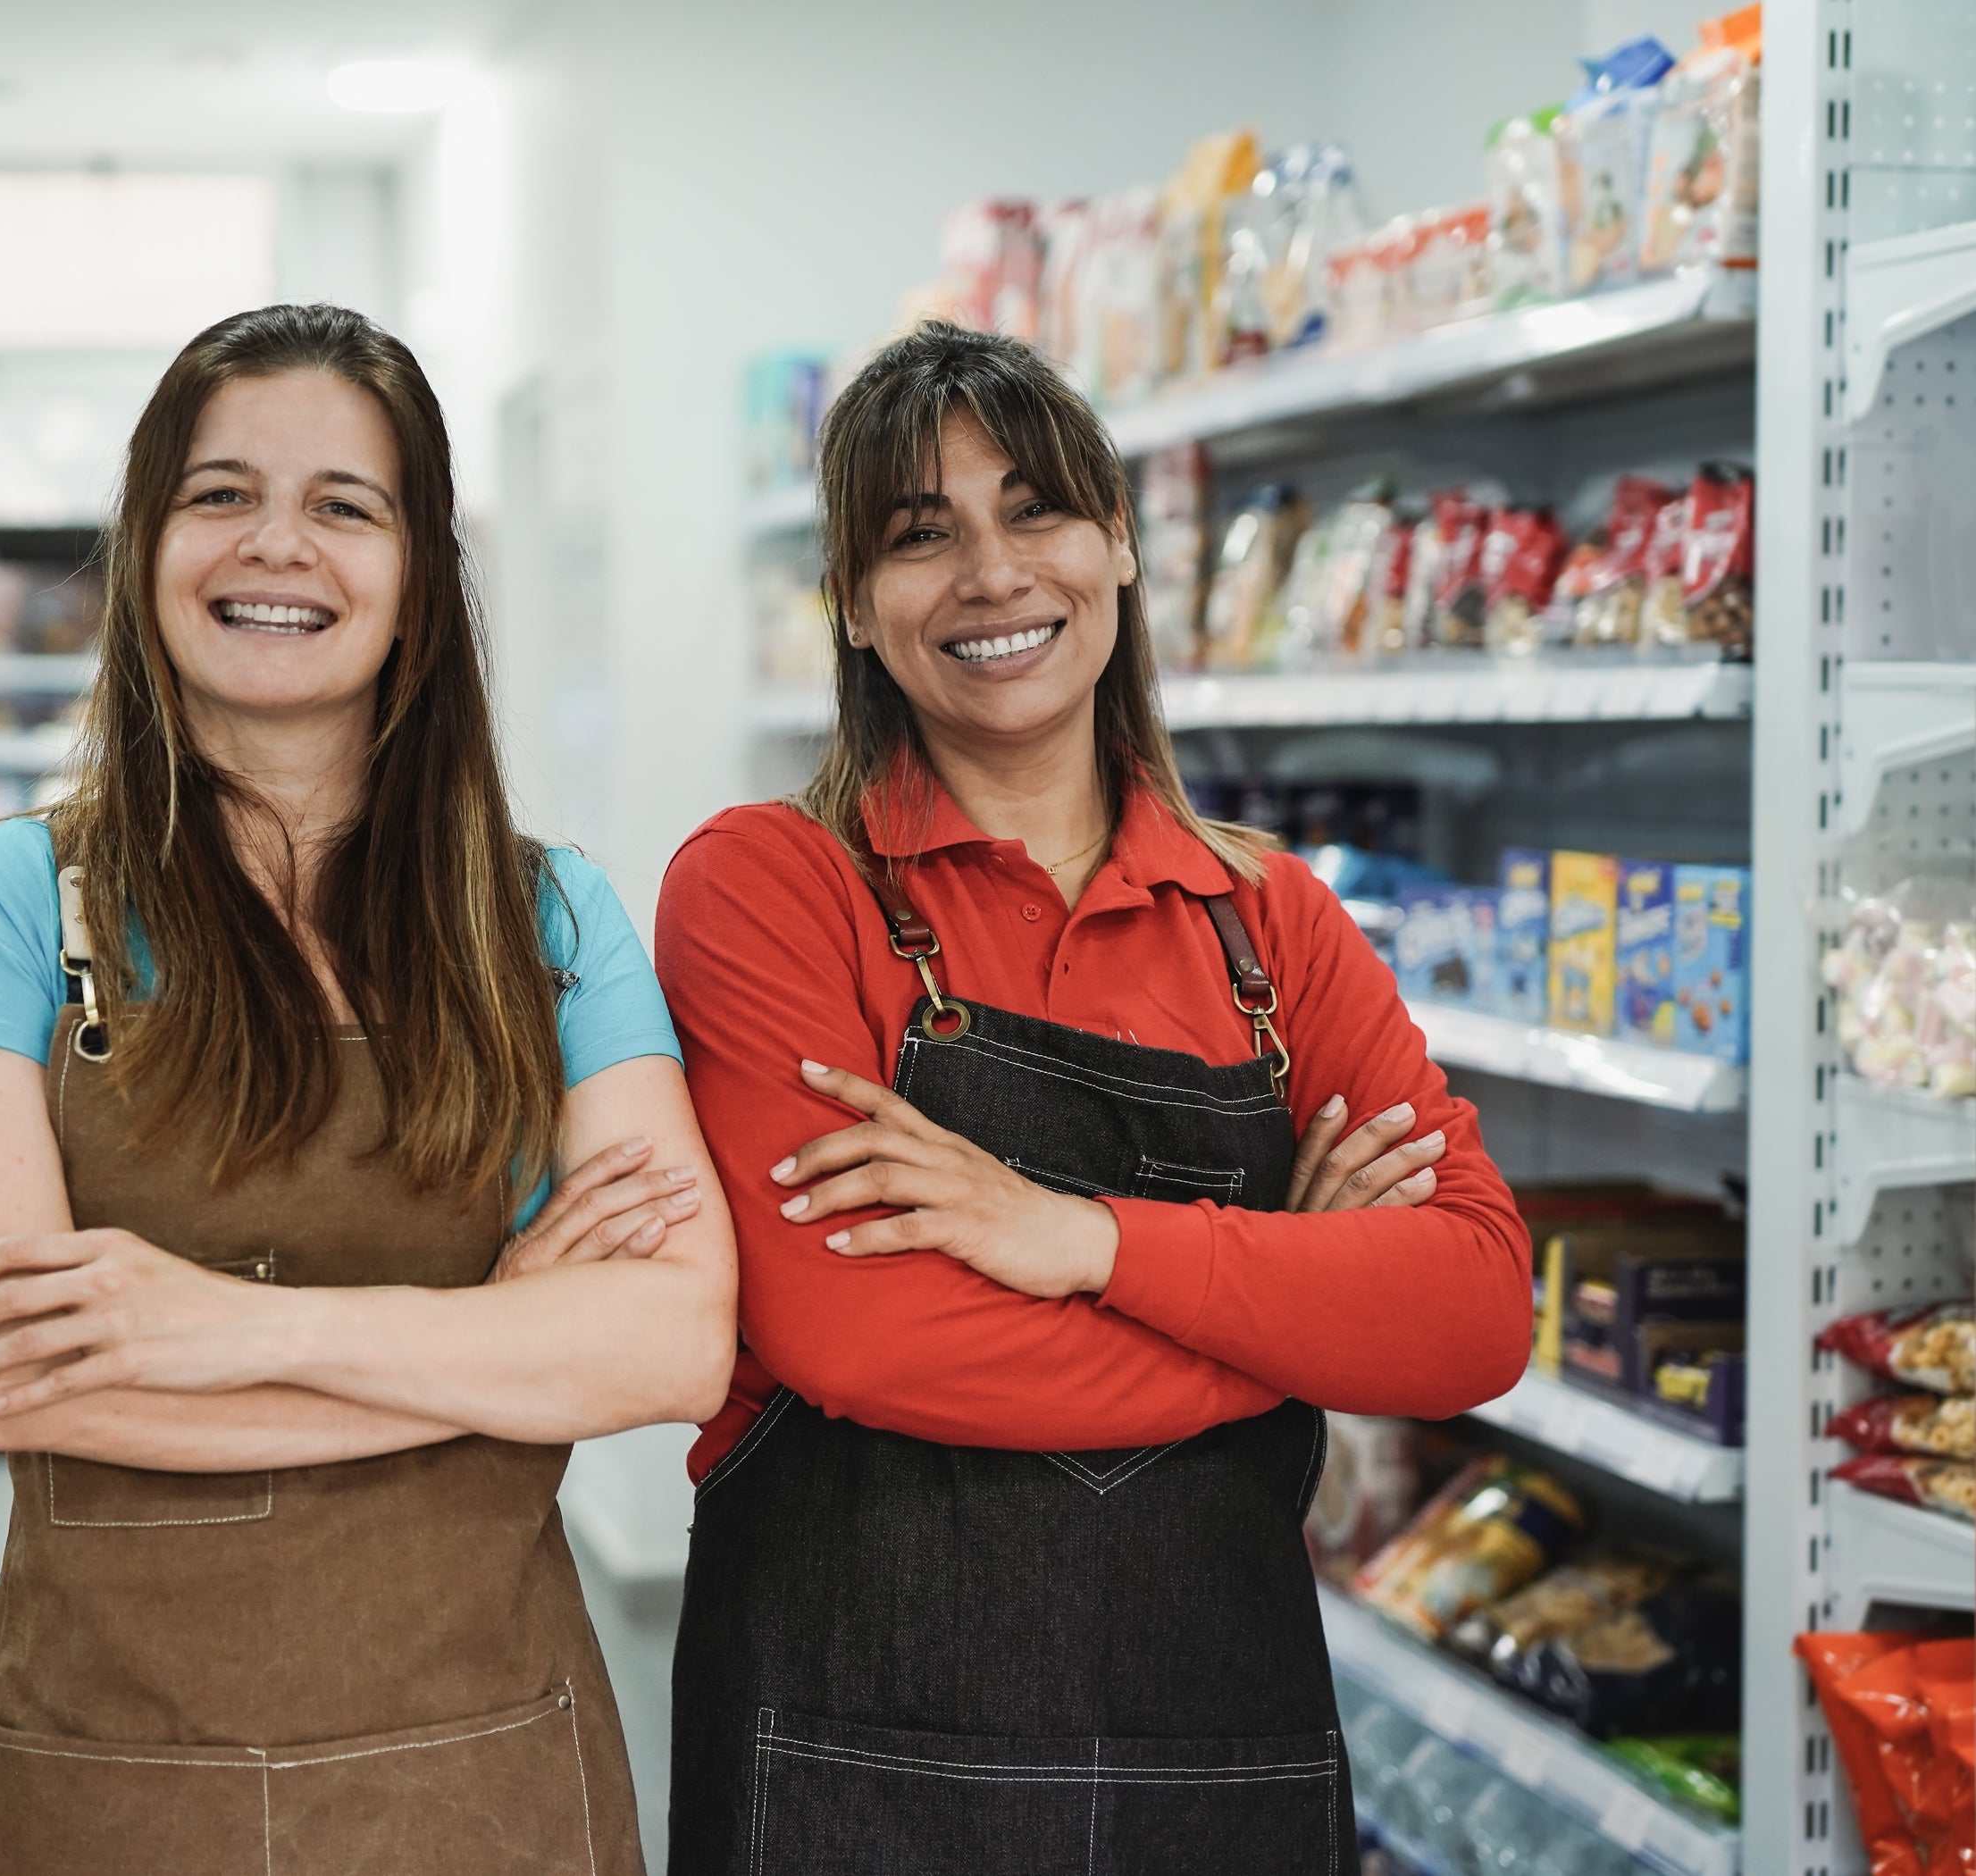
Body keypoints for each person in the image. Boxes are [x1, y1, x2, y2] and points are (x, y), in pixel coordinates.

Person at [655, 324, 1533, 1876]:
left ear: (1118, 548)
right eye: (918, 535)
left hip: (1223, 1762)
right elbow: (860, 1331)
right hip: (851, 1766)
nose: (992, 573)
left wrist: (1077, 1240)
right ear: (853, 607)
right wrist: (1276, 1320)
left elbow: (1467, 1315)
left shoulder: (1269, 923)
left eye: (1037, 510)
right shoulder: (773, 888)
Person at [0, 304, 736, 1876]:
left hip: (483, 1773)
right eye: (218, 495)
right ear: (147, 551)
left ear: (417, 584)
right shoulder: (11, 902)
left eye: (344, 505)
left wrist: (232, 1325)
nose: (275, 546)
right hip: (119, 1777)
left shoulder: (549, 925)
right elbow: (10, 1376)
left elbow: (674, 1340)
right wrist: (495, 1334)